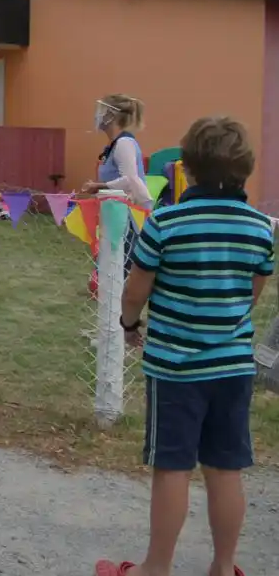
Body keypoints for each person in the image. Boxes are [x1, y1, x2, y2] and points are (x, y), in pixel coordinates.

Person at [96, 116, 272, 576]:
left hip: (174, 367)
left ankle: (155, 568)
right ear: (244, 170)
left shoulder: (166, 222)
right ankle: (224, 566)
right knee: (225, 468)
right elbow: (253, 291)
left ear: (186, 167)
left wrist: (129, 324)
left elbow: (136, 290)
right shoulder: (260, 227)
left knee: (172, 468)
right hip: (233, 367)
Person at [81, 94, 153, 275]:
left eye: (102, 111)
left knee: (118, 273)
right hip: (115, 215)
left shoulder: (124, 143)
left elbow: (130, 179)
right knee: (108, 271)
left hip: (128, 217)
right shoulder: (115, 144)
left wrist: (99, 186)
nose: (97, 116)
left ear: (112, 115)